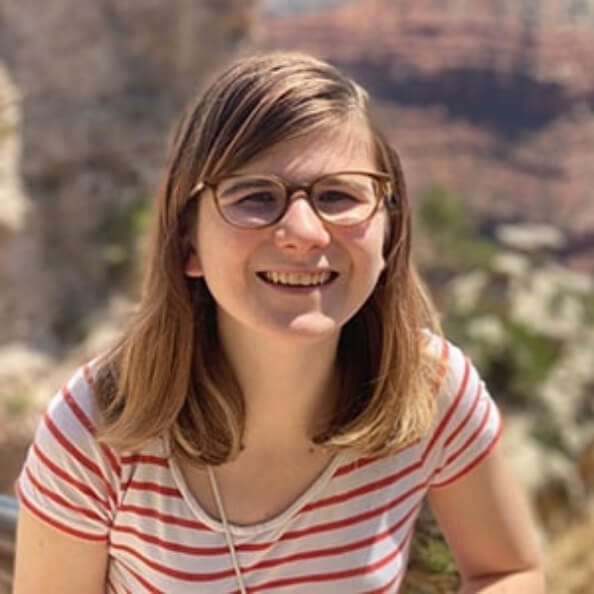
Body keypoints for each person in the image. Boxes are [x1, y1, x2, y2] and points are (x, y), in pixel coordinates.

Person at [13, 52, 545, 593]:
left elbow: (509, 570)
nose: (303, 231)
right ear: (188, 244)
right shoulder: (97, 427)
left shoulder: (430, 387)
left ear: (389, 233)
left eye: (338, 195)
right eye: (255, 197)